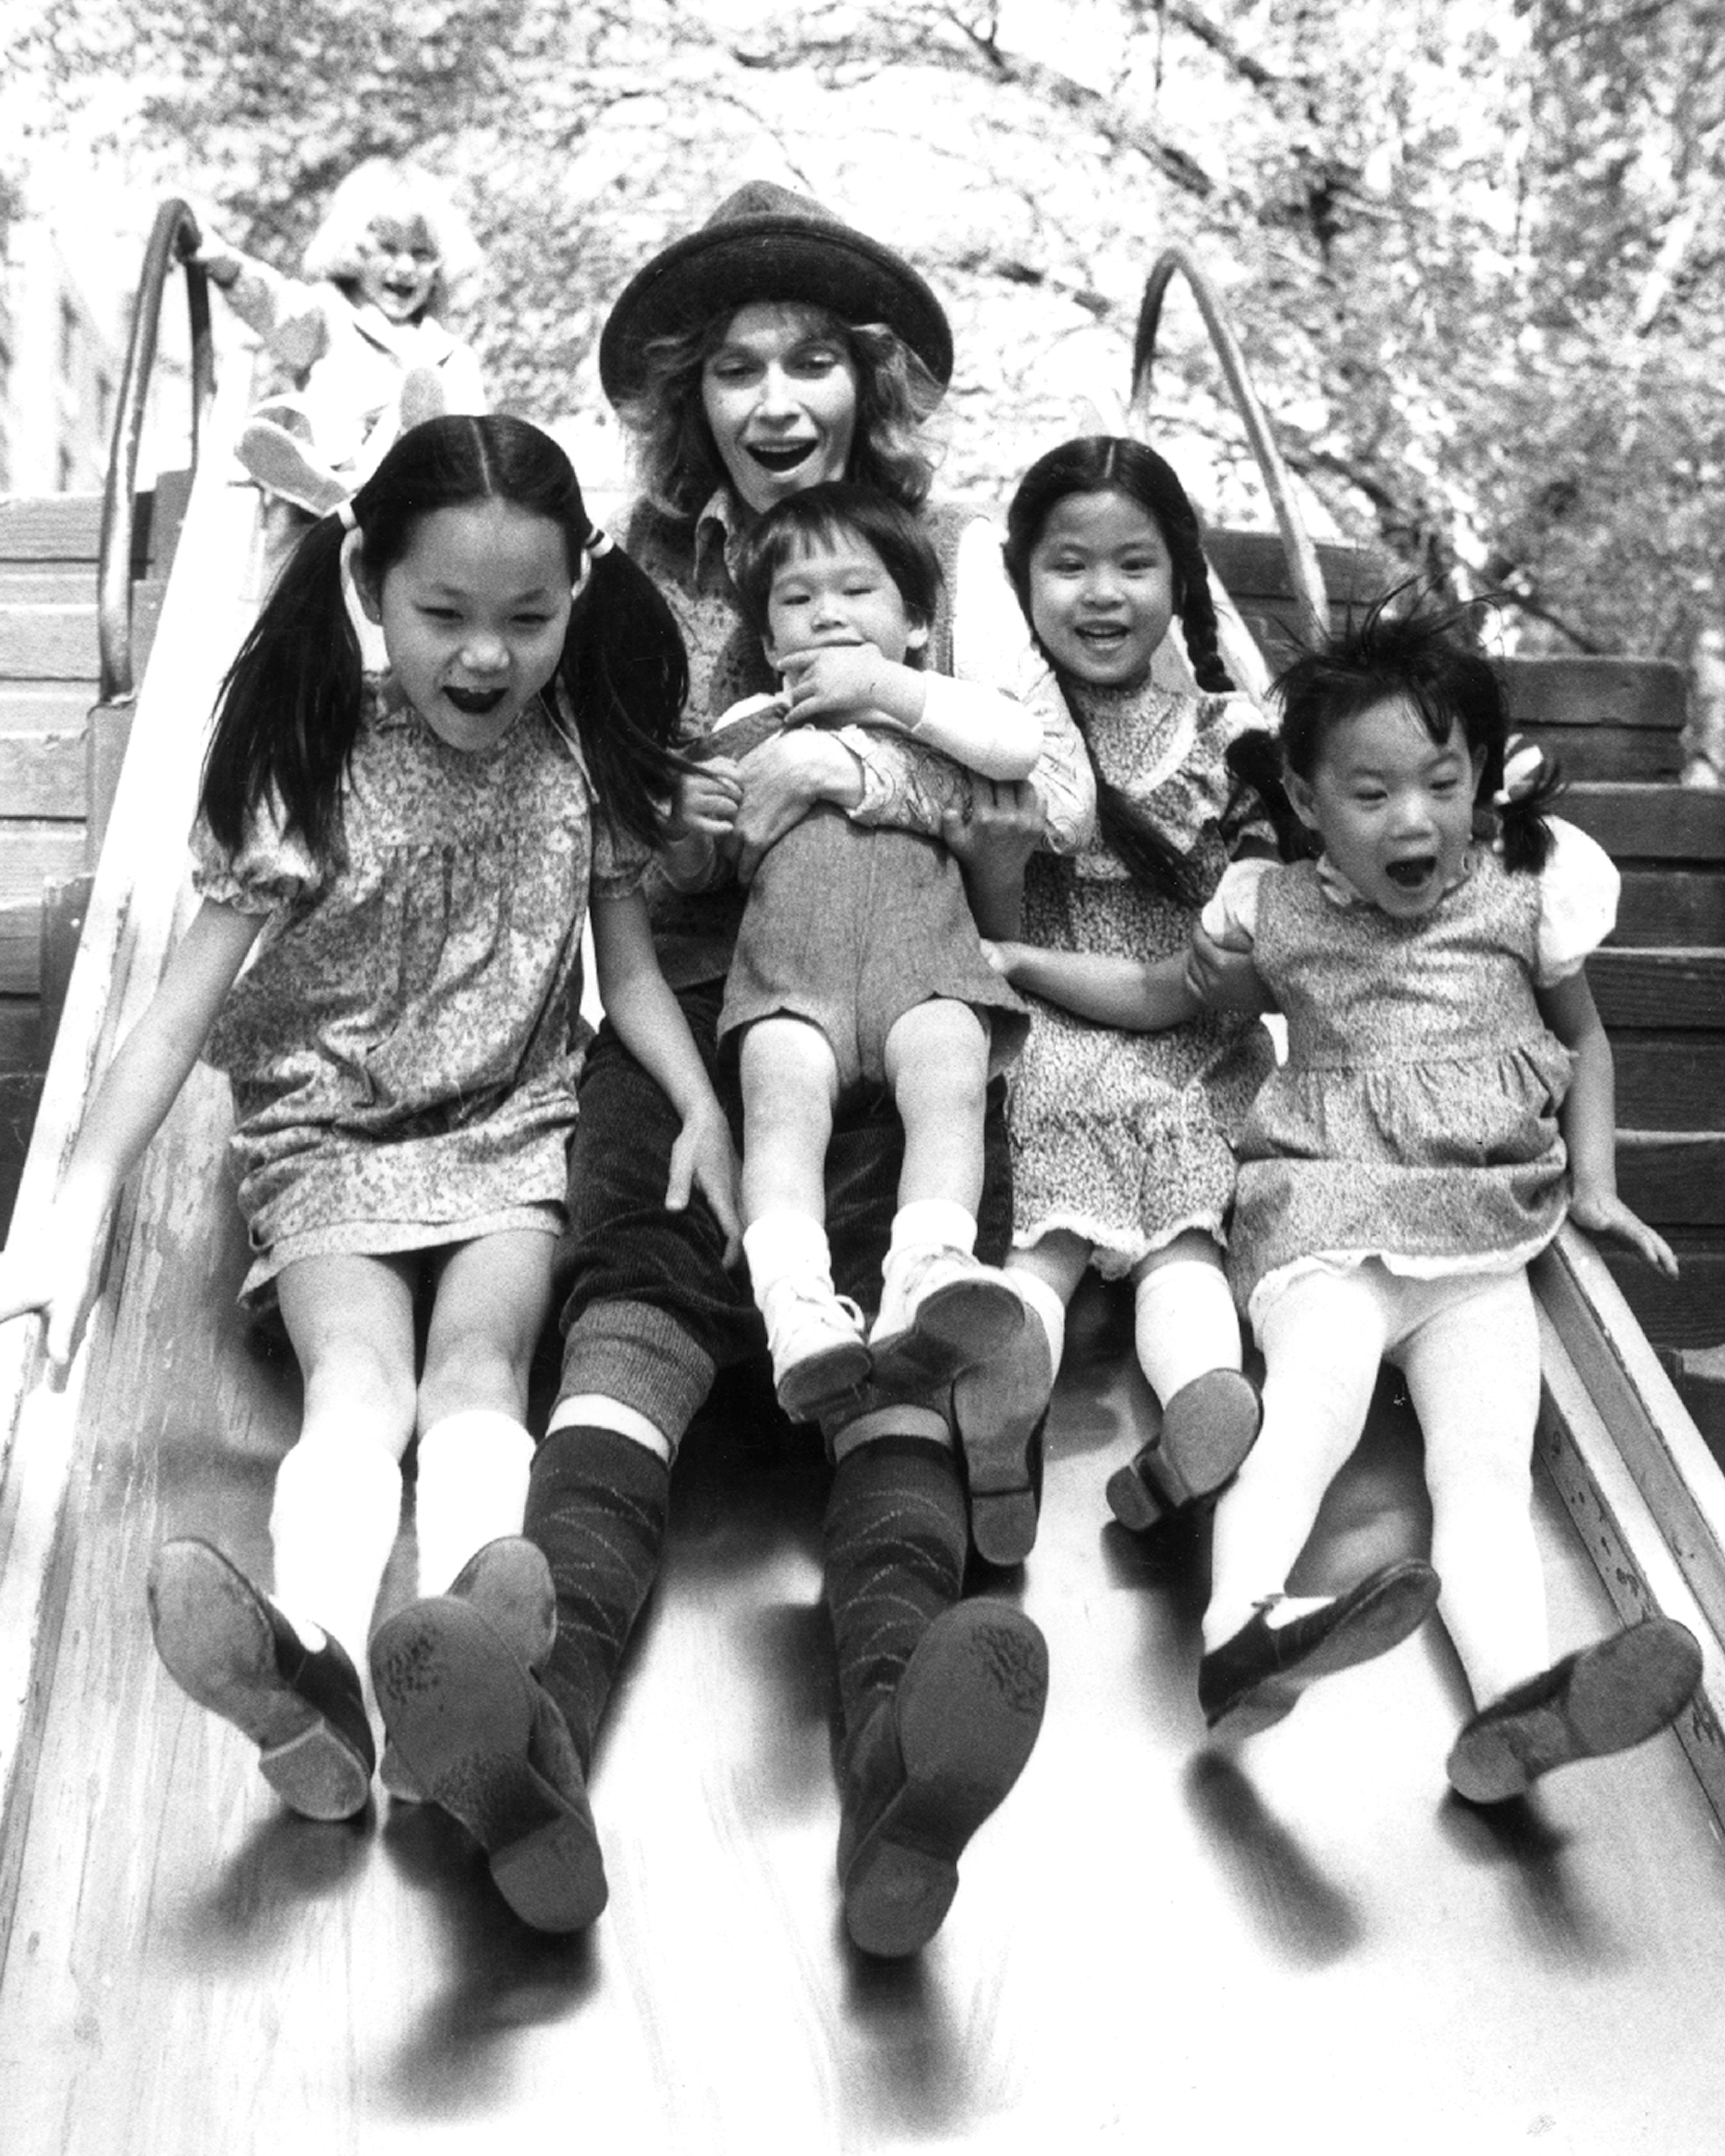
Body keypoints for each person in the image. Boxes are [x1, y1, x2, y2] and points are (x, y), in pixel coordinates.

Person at [393, 183, 1093, 1961]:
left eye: (810, 366)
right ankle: (524, 1730)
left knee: (912, 1320)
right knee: (634, 1288)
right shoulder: (626, 588)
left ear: (867, 384)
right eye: (735, 371)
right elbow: (597, 810)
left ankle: (895, 1755)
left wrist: (848, 778)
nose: (775, 401)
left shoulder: (948, 561)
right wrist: (691, 816)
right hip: (702, 996)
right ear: (685, 398)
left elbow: (1048, 797)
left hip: (920, 972)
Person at [0, 418, 739, 1925]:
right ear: (366, 580)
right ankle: (314, 1662)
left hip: (508, 1131)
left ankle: (472, 1652)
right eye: (445, 615)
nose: (488, 657)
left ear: (578, 593)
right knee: (359, 1385)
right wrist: (66, 1218)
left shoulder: (579, 757)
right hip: (328, 1140)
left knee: (479, 1368)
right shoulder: (307, 767)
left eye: (529, 620)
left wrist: (699, 1104)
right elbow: (173, 1021)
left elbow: (633, 976)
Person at [1184, 597, 1701, 1800]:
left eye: (1440, 780)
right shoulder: (1277, 904)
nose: (1412, 817)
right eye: (1370, 794)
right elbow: (1179, 993)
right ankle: (1236, 1636)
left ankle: (1514, 1713)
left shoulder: (1528, 890)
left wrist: (1602, 1183)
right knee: (1311, 1407)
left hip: (1480, 1238)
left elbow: (1588, 1042)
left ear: (1480, 782)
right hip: (1325, 1219)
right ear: (1309, 803)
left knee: (1486, 1479)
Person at [976, 437, 1278, 1564]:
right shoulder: (1006, 731)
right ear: (1022, 580)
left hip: (1174, 1021)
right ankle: (1017, 1392)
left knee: (1163, 1241)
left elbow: (1248, 924)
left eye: (1134, 564)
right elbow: (989, 910)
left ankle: (1197, 1402)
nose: (1102, 594)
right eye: (1068, 565)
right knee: (1136, 1243)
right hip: (1071, 1024)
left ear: (1180, 577)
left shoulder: (1230, 740)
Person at [684, 481, 1036, 1419]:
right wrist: (692, 822)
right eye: (797, 601)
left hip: (924, 964)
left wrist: (888, 691)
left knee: (951, 1081)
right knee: (782, 1108)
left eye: (857, 592)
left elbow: (1017, 745)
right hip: (792, 974)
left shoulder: (940, 710)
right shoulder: (748, 726)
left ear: (919, 624)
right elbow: (703, 861)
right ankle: (795, 1306)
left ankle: (927, 1270)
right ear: (768, 643)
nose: (828, 613)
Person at [189, 157, 487, 581]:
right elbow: (276, 307)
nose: (404, 267)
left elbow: (477, 443)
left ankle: (384, 471)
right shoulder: (328, 315)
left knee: (428, 413)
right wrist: (227, 266)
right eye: (388, 249)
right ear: (354, 251)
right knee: (300, 413)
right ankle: (321, 484)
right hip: (325, 484)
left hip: (406, 509)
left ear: (441, 266)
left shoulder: (451, 355)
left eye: (421, 255)